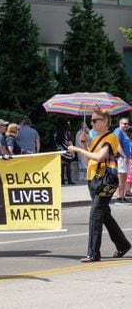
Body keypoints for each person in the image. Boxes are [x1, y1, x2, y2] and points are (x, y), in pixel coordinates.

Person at [67, 109, 131, 262]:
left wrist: (77, 149)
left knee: (95, 215)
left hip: (105, 181)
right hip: (93, 180)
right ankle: (123, 245)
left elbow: (100, 156)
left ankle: (93, 253)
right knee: (105, 215)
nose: (92, 123)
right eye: (91, 120)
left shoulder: (111, 138)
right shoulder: (95, 139)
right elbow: (90, 161)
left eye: (95, 120)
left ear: (105, 121)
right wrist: (83, 144)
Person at [112, 117, 130, 202]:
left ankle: (122, 196)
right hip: (121, 158)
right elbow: (117, 144)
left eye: (127, 123)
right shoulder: (118, 131)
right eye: (124, 123)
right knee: (121, 178)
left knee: (124, 178)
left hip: (125, 159)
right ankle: (119, 197)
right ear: (120, 123)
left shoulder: (125, 132)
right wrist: (124, 156)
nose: (126, 125)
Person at [55, 119, 75, 185]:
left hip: (60, 151)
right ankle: (69, 180)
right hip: (67, 151)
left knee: (61, 166)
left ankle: (62, 180)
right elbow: (70, 142)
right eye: (68, 123)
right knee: (68, 166)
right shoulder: (67, 132)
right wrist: (73, 152)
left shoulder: (56, 133)